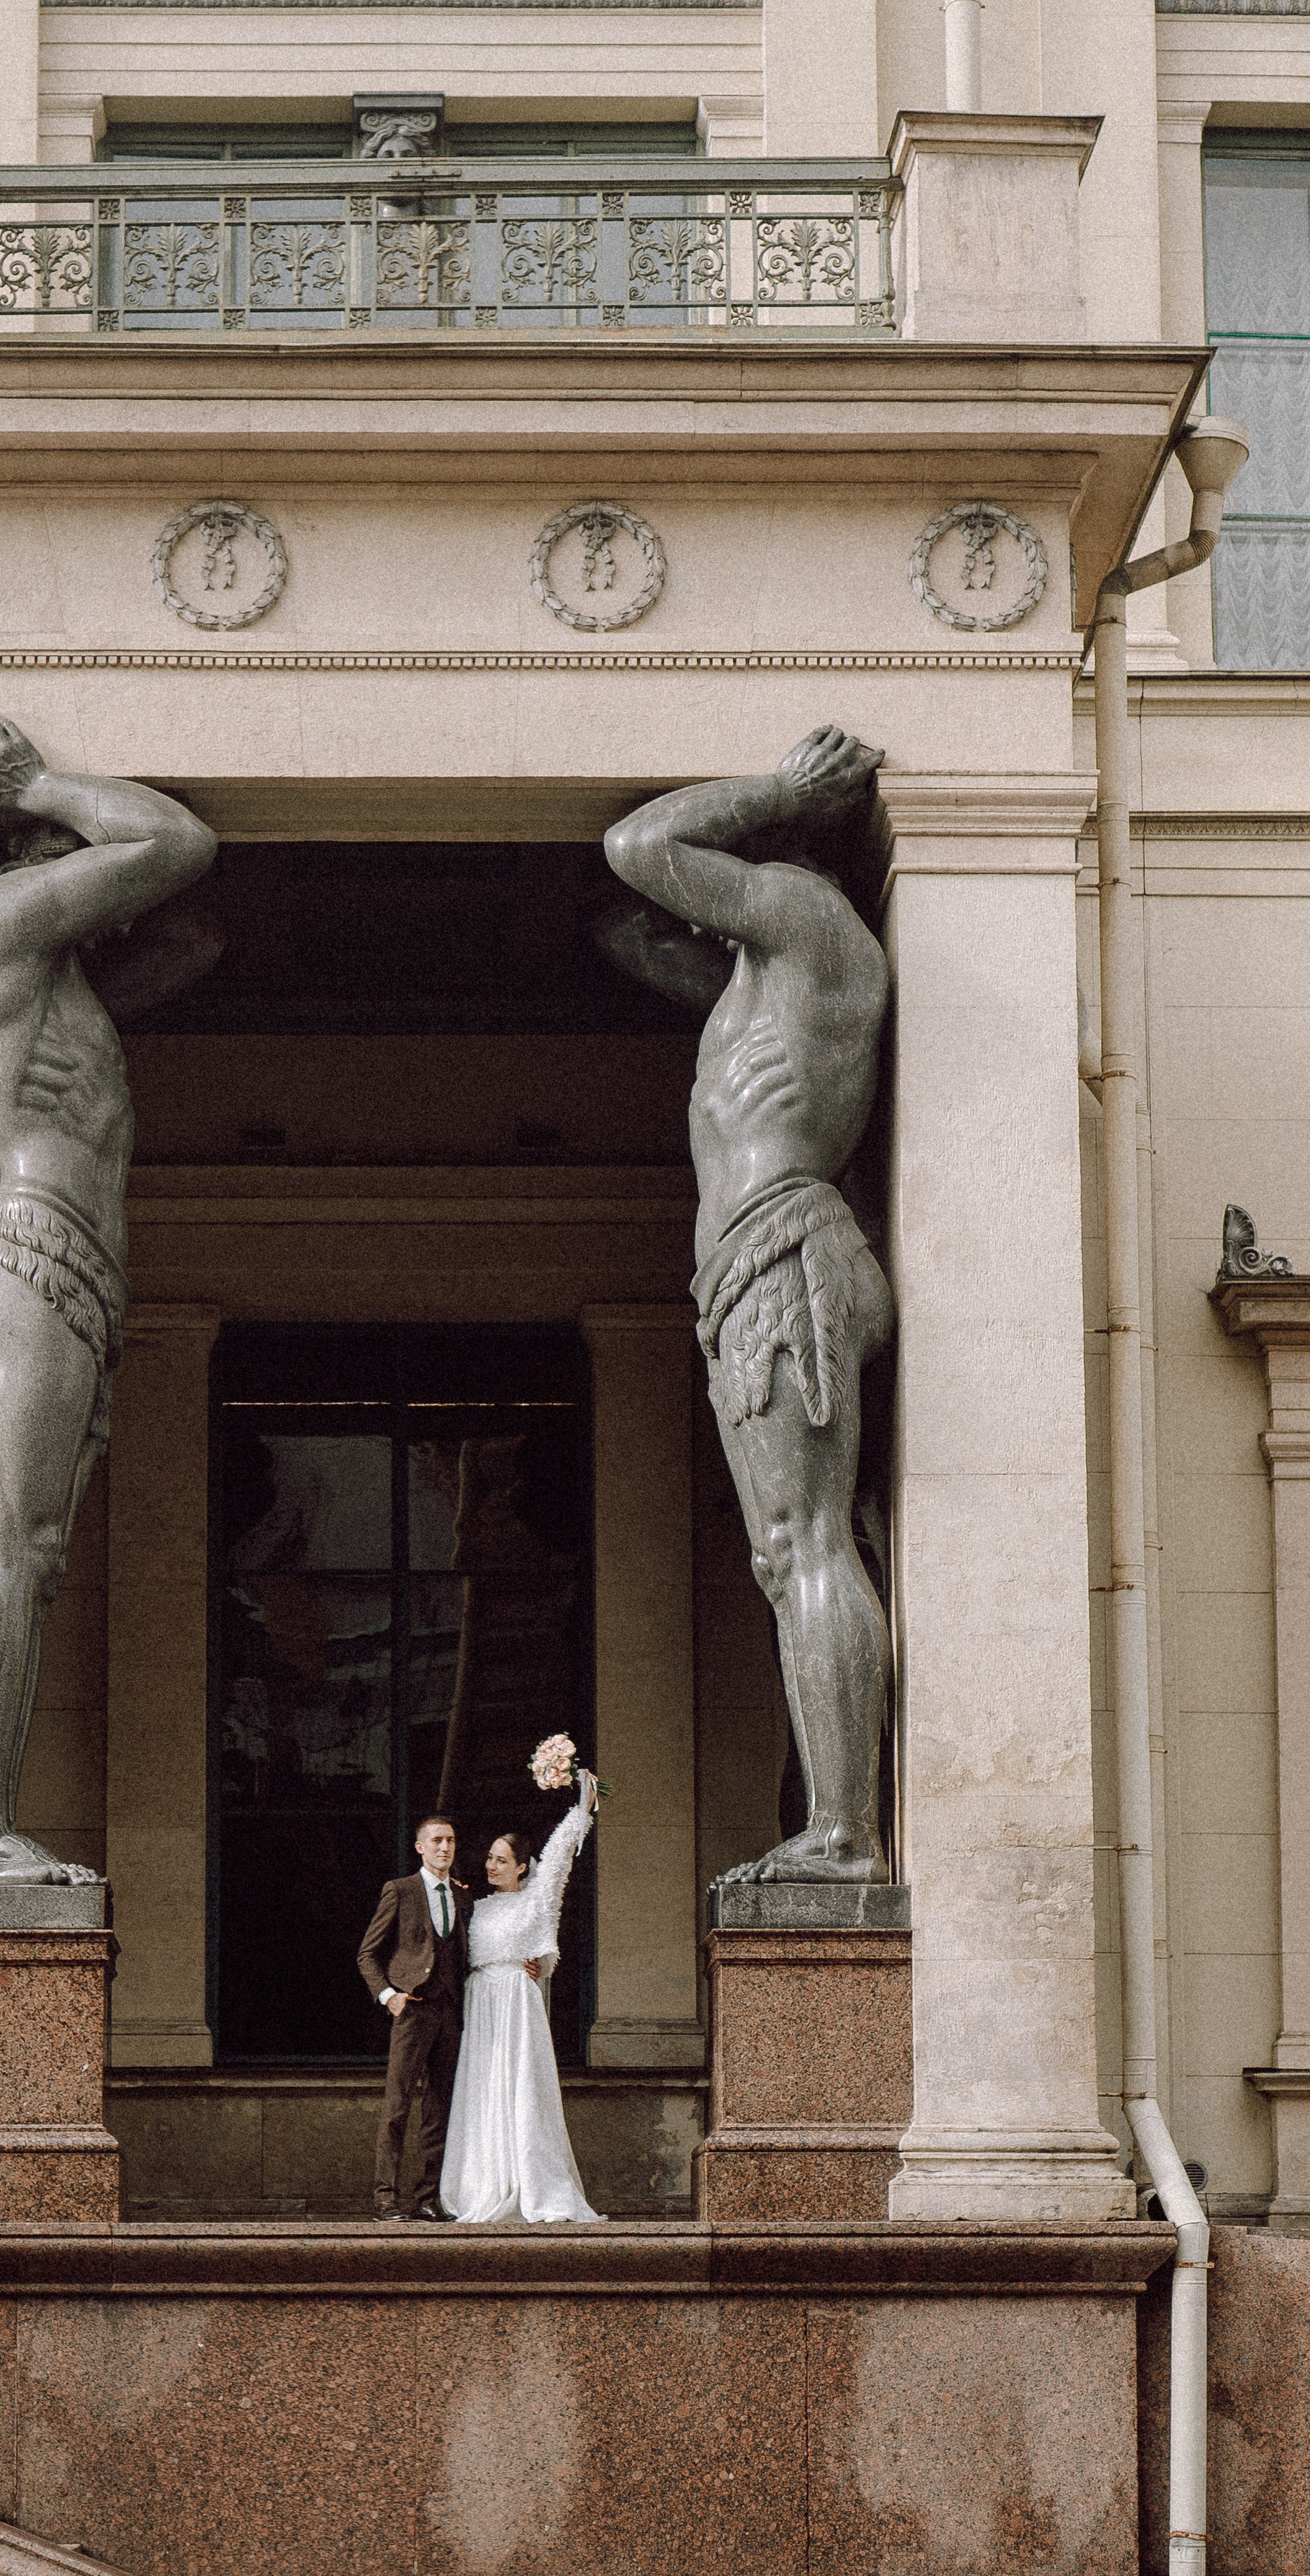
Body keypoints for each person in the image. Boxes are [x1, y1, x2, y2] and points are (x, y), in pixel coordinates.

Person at [602, 724, 893, 1886]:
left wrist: (775, 790)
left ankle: (845, 1832)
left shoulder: (812, 923)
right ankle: (831, 1814)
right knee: (794, 1553)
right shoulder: (758, 978)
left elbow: (638, 847)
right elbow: (622, 925)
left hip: (784, 1251)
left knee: (802, 1542)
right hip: (751, 1269)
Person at [0, 714, 217, 1884]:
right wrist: (46, 784)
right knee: (12, 1543)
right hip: (32, 1253)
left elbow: (186, 934)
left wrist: (106, 900)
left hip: (71, 1274)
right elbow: (175, 843)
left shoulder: (57, 980)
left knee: (34, 1553)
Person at [438, 1770, 602, 2225]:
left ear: (522, 1866)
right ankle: (480, 2185)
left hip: (516, 2003)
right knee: (484, 2091)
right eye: (490, 1858)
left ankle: (534, 2184)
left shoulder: (537, 1900)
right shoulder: (476, 1907)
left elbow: (559, 1860)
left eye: (502, 1860)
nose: (492, 1866)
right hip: (482, 2005)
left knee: (522, 2092)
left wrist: (586, 1800)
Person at [357, 1816, 474, 2220]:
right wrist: (389, 1996)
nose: (445, 1848)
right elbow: (367, 1954)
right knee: (398, 2106)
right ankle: (385, 2197)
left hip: (450, 2013)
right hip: (413, 2010)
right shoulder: (400, 1891)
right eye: (437, 1841)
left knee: (439, 2108)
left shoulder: (463, 1896)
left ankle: (427, 2198)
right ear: (420, 1847)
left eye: (451, 1841)